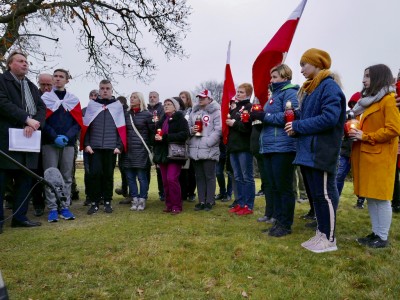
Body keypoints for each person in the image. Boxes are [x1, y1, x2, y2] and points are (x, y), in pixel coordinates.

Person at [284, 48, 346, 253]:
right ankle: (321, 233)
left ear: (317, 63)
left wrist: (299, 126)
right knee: (317, 196)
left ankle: (329, 239)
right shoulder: (311, 89)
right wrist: (295, 122)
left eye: (304, 64)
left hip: (321, 150)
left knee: (325, 195)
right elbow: (308, 116)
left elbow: (329, 118)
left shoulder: (329, 87)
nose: (301, 69)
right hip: (309, 151)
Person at [349, 64, 400, 248]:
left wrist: (366, 136)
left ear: (379, 77)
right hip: (368, 155)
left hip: (380, 156)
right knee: (372, 196)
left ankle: (382, 237)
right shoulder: (370, 101)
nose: (364, 80)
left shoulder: (388, 99)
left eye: (368, 76)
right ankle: (376, 233)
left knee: (381, 198)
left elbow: (394, 129)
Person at [0, 50, 46, 232]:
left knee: (24, 181)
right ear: (10, 64)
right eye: (20, 61)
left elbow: (41, 107)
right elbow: (2, 103)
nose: (25, 64)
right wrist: (26, 119)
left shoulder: (31, 86)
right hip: (5, 140)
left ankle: (20, 217)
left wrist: (34, 124)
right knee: (1, 182)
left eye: (26, 61)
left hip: (27, 141)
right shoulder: (2, 81)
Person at [251, 64, 299, 237]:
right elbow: (269, 118)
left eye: (275, 77)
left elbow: (291, 115)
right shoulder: (274, 95)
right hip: (270, 146)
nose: (271, 80)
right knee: (275, 187)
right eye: (271, 77)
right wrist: (258, 117)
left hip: (283, 146)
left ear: (285, 77)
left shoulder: (290, 93)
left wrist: (266, 116)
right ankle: (277, 222)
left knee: (284, 187)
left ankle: (285, 224)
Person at [81, 79, 126, 215]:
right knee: (94, 175)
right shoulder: (92, 106)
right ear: (99, 90)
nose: (105, 90)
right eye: (102, 88)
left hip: (111, 148)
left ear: (112, 90)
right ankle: (94, 202)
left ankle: (107, 201)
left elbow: (121, 128)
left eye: (107, 88)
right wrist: (86, 144)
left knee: (108, 175)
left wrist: (119, 146)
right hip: (94, 148)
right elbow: (86, 128)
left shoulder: (117, 106)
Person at [153, 98, 189, 214]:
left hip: (175, 154)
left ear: (175, 107)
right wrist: (156, 138)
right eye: (165, 104)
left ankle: (176, 205)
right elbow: (157, 134)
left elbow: (184, 134)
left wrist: (166, 137)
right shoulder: (161, 120)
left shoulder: (181, 119)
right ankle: (168, 204)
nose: (166, 106)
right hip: (163, 154)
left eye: (169, 104)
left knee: (172, 179)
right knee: (165, 181)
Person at [187, 90, 221, 211]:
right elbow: (189, 126)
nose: (200, 99)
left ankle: (210, 201)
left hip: (209, 149)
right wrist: (191, 130)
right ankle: (201, 201)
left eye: (203, 97)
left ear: (209, 99)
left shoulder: (216, 112)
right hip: (195, 148)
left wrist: (208, 142)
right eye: (199, 97)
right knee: (199, 176)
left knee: (209, 176)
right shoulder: (194, 111)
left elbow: (218, 130)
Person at [226, 83, 255, 215]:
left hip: (244, 147)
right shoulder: (234, 108)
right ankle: (240, 202)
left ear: (248, 94)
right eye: (237, 91)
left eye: (241, 92)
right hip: (233, 147)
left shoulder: (250, 108)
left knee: (246, 176)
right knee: (237, 177)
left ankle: (248, 206)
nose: (238, 94)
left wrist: (234, 123)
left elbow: (247, 128)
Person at [122, 92, 153, 211]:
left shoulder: (147, 114)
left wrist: (150, 146)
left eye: (134, 97)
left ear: (140, 100)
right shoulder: (126, 114)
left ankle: (142, 199)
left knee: (141, 176)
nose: (132, 99)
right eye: (131, 97)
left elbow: (151, 132)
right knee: (130, 176)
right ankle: (134, 198)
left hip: (141, 149)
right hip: (128, 150)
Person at [336, 92, 365, 208]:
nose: (354, 106)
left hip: (360, 150)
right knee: (339, 175)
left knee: (360, 177)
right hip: (345, 151)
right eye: (352, 104)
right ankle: (334, 198)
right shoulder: (347, 115)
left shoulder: (365, 116)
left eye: (356, 103)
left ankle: (360, 200)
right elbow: (340, 130)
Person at [179, 91, 197, 202]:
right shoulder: (177, 112)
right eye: (180, 97)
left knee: (191, 171)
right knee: (181, 171)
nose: (181, 99)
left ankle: (191, 192)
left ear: (188, 99)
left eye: (183, 97)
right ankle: (182, 192)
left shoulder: (192, 111)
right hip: (180, 144)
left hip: (191, 143)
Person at [147, 91, 165, 201]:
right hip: (148, 142)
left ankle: (162, 192)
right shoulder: (146, 109)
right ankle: (145, 192)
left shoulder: (162, 109)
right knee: (145, 169)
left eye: (154, 97)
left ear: (158, 98)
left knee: (160, 169)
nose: (152, 98)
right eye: (150, 97)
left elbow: (162, 123)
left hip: (159, 142)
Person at [82, 89, 98, 206]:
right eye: (91, 95)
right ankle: (89, 196)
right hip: (87, 145)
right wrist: (84, 144)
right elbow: (81, 129)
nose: (93, 97)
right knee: (88, 173)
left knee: (100, 172)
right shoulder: (83, 111)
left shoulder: (104, 110)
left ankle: (100, 195)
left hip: (99, 146)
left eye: (95, 95)